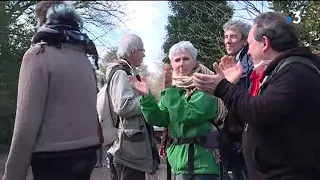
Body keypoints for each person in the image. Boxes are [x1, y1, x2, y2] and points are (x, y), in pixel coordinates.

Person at [193, 11, 320, 180]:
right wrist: (231, 86)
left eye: (250, 44)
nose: (249, 52)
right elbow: (249, 115)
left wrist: (222, 88)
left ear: (265, 43)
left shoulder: (296, 70)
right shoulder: (280, 70)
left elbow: (258, 111)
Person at [2, 1, 103, 180]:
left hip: (53, 160)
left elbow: (26, 125)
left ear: (43, 20)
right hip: (87, 155)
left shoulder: (38, 56)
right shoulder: (85, 60)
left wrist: (13, 175)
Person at [128, 41, 228, 180]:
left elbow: (190, 115)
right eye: (177, 60)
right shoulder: (174, 90)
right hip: (180, 163)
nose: (181, 63)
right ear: (172, 64)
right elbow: (160, 119)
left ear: (195, 61)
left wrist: (169, 92)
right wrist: (147, 97)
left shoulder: (207, 86)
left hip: (202, 165)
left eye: (186, 59)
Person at [104, 34, 159, 180]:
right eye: (142, 50)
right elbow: (123, 106)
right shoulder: (121, 73)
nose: (144, 54)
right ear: (133, 51)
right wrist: (146, 98)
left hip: (129, 149)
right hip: (127, 153)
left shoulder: (126, 72)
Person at [221, 19, 252, 180]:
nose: (228, 41)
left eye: (233, 36)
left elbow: (249, 97)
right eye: (226, 37)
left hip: (244, 136)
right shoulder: (236, 61)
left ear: (245, 39)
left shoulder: (249, 61)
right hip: (234, 136)